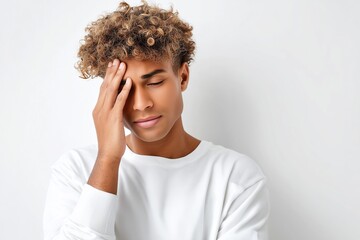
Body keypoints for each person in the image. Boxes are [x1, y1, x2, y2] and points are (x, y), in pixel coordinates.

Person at [43, 1, 270, 240]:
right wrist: (108, 159)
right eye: (124, 88)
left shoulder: (236, 177)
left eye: (154, 83)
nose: (141, 103)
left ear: (182, 77)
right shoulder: (76, 170)